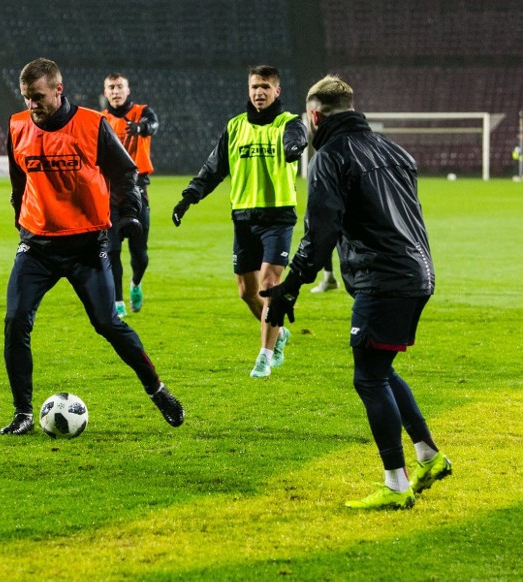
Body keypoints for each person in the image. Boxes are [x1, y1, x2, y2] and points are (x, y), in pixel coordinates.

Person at [261, 74, 452, 510]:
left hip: (383, 278)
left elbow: (320, 230)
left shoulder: (331, 156)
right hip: (418, 272)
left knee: (368, 377)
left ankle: (396, 484)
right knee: (380, 368)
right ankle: (428, 455)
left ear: (314, 115)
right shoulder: (394, 150)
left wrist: (289, 286)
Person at [1, 58, 184, 435]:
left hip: (86, 244)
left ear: (58, 90)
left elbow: (125, 172)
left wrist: (130, 214)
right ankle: (22, 413)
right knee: (15, 321)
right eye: (26, 98)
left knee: (107, 323)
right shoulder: (17, 125)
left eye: (37, 97)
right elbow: (18, 179)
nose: (31, 105)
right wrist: (20, 216)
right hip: (36, 246)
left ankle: (157, 390)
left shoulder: (91, 124)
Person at [172, 65, 307, 379]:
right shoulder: (234, 127)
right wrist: (188, 198)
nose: (259, 92)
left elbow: (296, 138)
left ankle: (265, 355)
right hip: (243, 218)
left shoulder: (288, 123)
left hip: (277, 215)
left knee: (269, 286)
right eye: (254, 87)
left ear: (277, 91)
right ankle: (279, 332)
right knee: (247, 292)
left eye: (265, 87)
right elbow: (213, 169)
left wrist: (294, 147)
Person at [102, 73, 159, 317]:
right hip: (110, 192)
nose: (116, 92)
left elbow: (153, 125)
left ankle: (136, 283)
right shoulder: (100, 120)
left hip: (137, 191)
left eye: (119, 87)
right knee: (112, 249)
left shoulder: (142, 112)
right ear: (106, 93)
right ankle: (117, 302)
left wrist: (140, 128)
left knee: (140, 254)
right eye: (111, 88)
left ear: (128, 90)